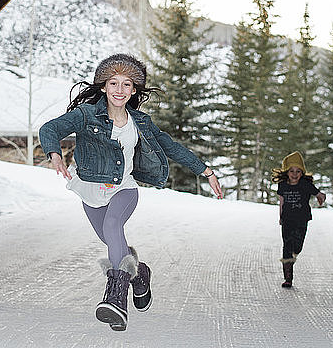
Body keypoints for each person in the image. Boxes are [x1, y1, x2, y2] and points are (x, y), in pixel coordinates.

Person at [39, 54, 222, 331]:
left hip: (123, 189)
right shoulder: (86, 115)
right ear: (103, 87)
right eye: (113, 83)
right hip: (90, 190)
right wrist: (54, 153)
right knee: (113, 242)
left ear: (134, 91)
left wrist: (205, 171)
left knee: (114, 226)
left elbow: (171, 147)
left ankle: (115, 300)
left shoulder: (141, 123)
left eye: (127, 84)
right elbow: (50, 128)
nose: (119, 90)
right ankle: (139, 275)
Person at [271, 151, 325, 288]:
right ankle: (288, 277)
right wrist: (280, 217)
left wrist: (320, 197)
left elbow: (319, 194)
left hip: (302, 219)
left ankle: (294, 254)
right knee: (287, 245)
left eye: (298, 171)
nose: (294, 174)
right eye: (291, 171)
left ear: (302, 173)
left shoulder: (305, 185)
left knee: (298, 246)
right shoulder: (283, 185)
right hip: (287, 220)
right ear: (286, 172)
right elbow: (281, 202)